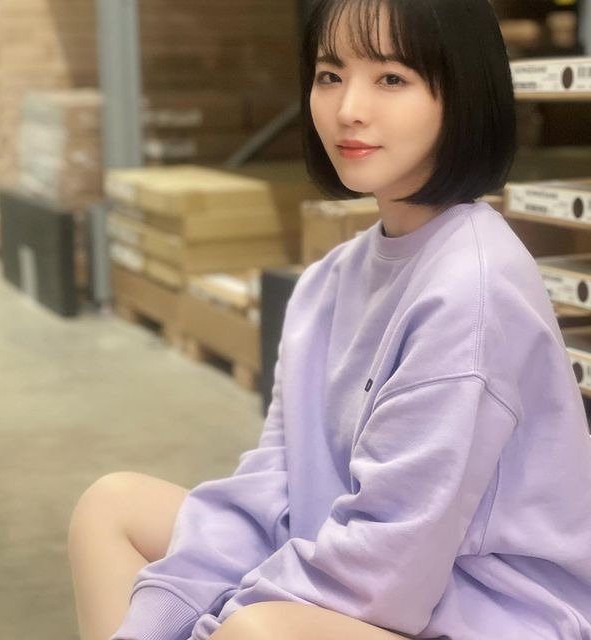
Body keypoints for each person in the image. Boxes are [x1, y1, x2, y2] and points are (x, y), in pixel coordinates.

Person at [68, 0, 591, 638]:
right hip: (353, 564)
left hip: (485, 612)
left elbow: (385, 570)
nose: (349, 109)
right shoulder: (328, 281)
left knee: (256, 633)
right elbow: (273, 488)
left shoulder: (472, 289)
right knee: (110, 508)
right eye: (330, 75)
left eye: (391, 78)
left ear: (460, 91)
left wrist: (212, 623)